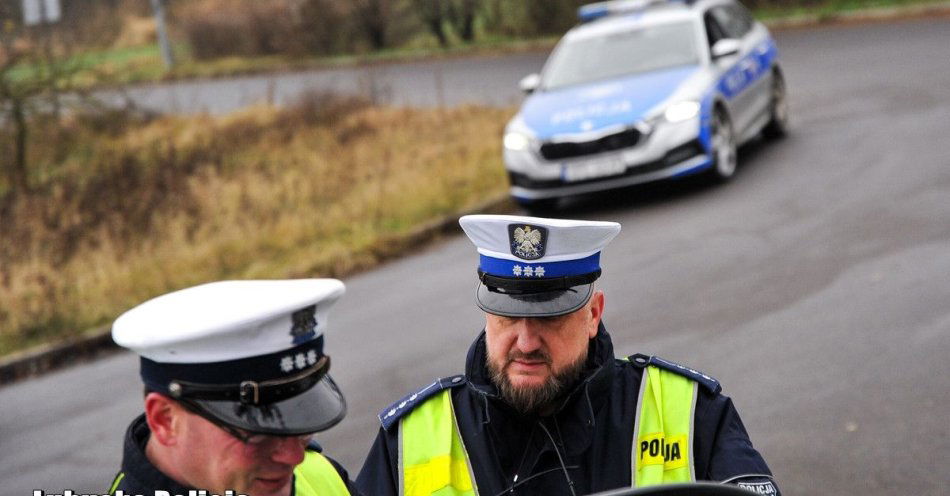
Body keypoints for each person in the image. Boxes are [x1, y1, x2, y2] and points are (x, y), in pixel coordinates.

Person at [356, 215, 781, 496]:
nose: (525, 343)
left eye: (549, 319)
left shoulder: (690, 413)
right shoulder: (407, 440)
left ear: (592, 314)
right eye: (507, 317)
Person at [108, 278, 360, 496]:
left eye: (301, 422)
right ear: (165, 420)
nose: (294, 457)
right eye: (259, 432)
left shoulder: (319, 475)